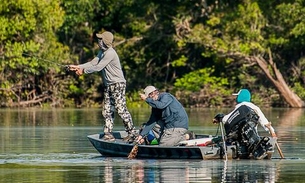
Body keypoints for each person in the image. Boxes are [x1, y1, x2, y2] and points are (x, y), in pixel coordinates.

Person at [68, 31, 135, 142]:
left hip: (118, 84)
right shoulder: (102, 52)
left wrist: (83, 71)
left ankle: (132, 133)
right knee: (107, 110)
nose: (98, 41)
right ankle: (108, 134)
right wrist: (77, 66)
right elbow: (93, 62)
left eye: (100, 39)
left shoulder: (110, 53)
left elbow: (98, 67)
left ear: (105, 42)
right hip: (108, 85)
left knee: (121, 109)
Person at [212, 89, 276, 159]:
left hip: (239, 141)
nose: (236, 98)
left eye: (237, 96)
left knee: (217, 140)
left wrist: (218, 119)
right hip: (253, 140)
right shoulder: (255, 108)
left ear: (240, 97)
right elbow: (265, 123)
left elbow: (225, 120)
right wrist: (272, 133)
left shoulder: (240, 107)